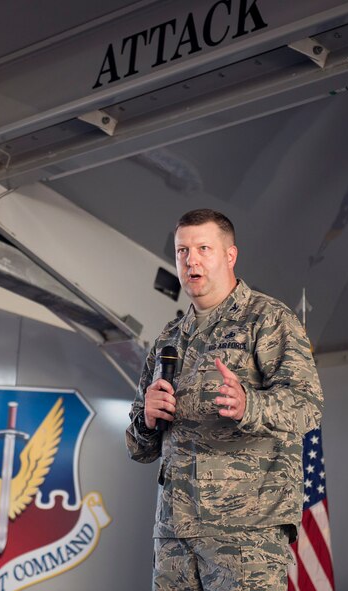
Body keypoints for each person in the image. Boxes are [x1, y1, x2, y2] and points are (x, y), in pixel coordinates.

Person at [126, 209, 323, 591]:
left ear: (230, 256)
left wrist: (251, 405)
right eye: (182, 251)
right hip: (174, 534)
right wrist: (146, 420)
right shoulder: (168, 339)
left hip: (246, 533)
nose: (191, 260)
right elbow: (138, 447)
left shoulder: (267, 320)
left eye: (203, 248)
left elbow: (308, 406)